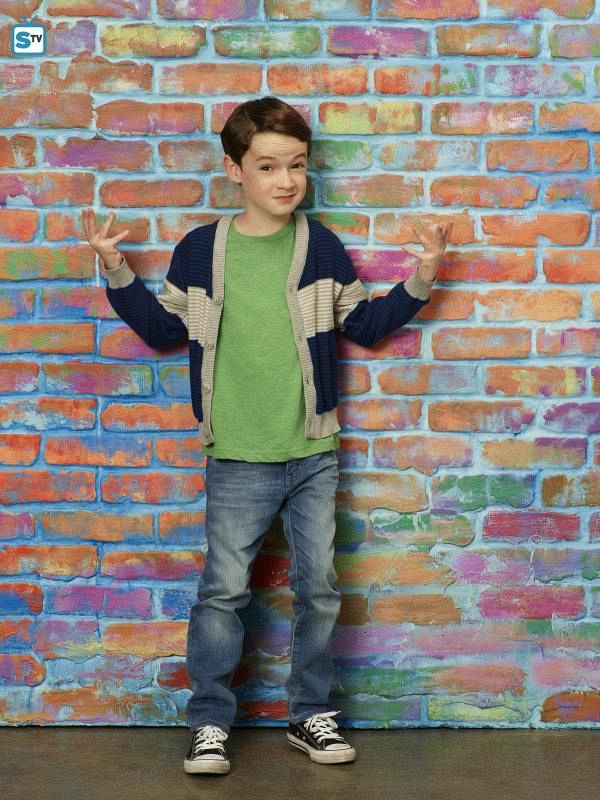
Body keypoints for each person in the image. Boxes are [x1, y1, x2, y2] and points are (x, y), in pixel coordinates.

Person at [81, 96, 452, 776]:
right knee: (223, 592)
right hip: (236, 455)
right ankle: (209, 722)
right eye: (268, 166)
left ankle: (310, 714)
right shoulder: (201, 251)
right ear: (235, 170)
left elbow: (365, 326)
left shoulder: (322, 248)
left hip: (311, 452)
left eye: (298, 165)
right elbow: (163, 330)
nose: (286, 180)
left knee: (320, 590)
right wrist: (117, 271)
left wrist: (421, 278)